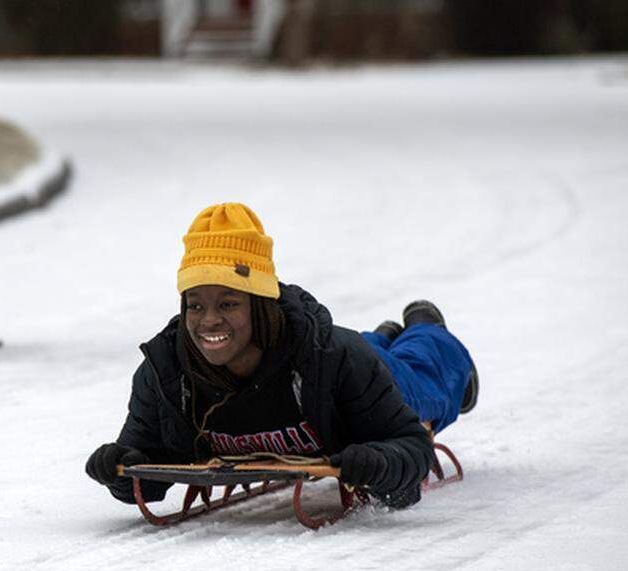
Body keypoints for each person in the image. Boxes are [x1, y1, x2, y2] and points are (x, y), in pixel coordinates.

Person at [85, 202, 477, 509]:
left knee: (426, 380)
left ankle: (427, 329)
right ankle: (384, 335)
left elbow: (412, 446)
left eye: (228, 303)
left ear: (260, 306)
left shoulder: (335, 359)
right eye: (195, 305)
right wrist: (117, 468)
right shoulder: (165, 371)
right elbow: (148, 472)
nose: (209, 321)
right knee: (369, 347)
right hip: (352, 361)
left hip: (364, 372)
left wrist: (380, 465)